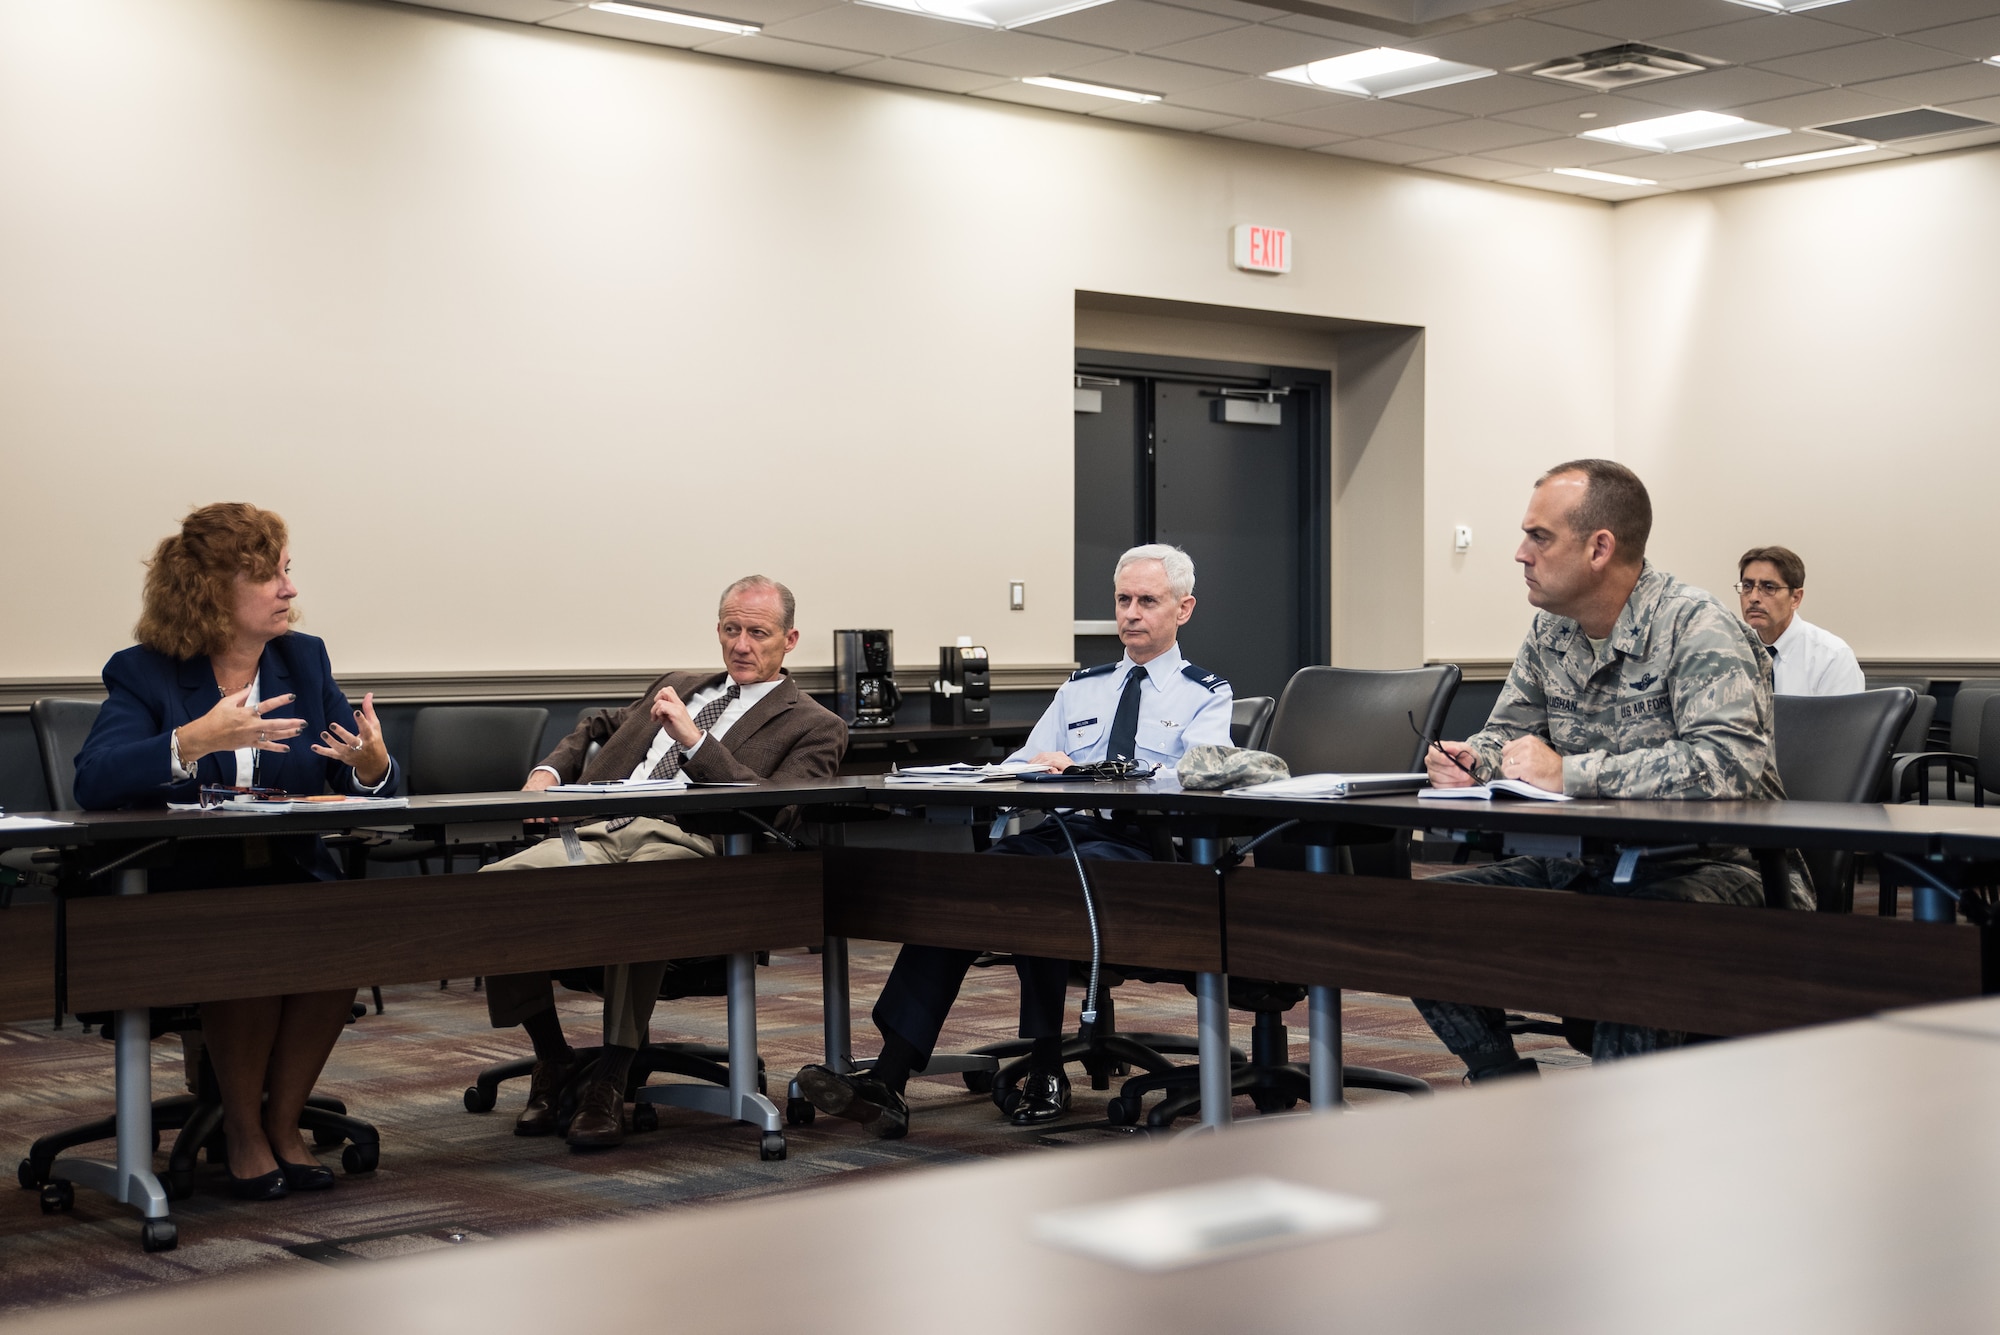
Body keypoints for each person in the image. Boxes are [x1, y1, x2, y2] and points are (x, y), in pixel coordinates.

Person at [796, 544, 1232, 1138]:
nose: (1130, 613)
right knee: (966, 888)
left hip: (1140, 846)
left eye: (1147, 601)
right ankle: (888, 1078)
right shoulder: (1083, 687)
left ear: (1184, 610)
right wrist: (1040, 767)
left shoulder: (1204, 693)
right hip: (1063, 831)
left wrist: (1112, 778)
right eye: (1122, 600)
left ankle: (1046, 1066)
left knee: (1041, 888)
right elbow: (1018, 765)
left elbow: (1204, 779)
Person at [1420, 460, 1806, 1081]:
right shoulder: (1551, 631)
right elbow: (1507, 734)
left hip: (1718, 869)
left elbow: (1727, 765)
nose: (1521, 553)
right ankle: (1503, 1084)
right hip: (1590, 864)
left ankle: (1623, 1130)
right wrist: (1474, 761)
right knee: (1420, 914)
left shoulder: (1699, 627)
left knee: (1636, 936)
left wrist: (1570, 773)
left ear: (1600, 547)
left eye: (1539, 537)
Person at [72, 503, 400, 1201]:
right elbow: (93, 777)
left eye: (287, 573)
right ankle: (245, 1132)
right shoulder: (145, 673)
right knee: (252, 931)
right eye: (269, 576)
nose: (289, 590)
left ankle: (282, 1123)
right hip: (181, 889)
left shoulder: (303, 660)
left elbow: (355, 771)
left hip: (293, 876)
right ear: (214, 589)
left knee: (346, 931)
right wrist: (190, 741)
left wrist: (372, 765)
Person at [481, 575, 846, 1150]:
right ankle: (551, 1056)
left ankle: (611, 1075)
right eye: (731, 629)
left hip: (692, 845)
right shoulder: (680, 684)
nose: (741, 645)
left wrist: (697, 744)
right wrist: (547, 774)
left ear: (790, 639)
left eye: (758, 632)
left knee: (637, 896)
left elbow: (781, 812)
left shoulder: (815, 724)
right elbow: (597, 723)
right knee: (490, 892)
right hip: (600, 829)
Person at [1735, 545, 1864, 696]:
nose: (1753, 598)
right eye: (1747, 586)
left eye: (1769, 587)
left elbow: (1843, 720)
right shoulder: (1730, 652)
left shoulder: (1832, 657)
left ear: (1795, 598)